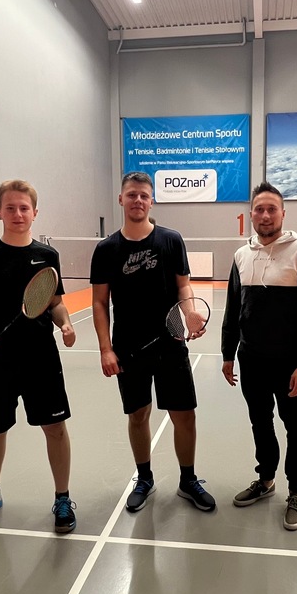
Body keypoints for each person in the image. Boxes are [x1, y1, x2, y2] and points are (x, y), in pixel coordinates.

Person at [90, 172, 215, 514]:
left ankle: (188, 480)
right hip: (128, 346)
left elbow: (183, 285)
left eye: (144, 195)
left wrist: (190, 312)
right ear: (121, 199)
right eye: (132, 194)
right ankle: (144, 478)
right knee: (138, 414)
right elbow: (99, 302)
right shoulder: (106, 250)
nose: (138, 201)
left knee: (184, 415)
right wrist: (105, 348)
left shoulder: (171, 240)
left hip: (170, 342)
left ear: (152, 201)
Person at [0, 179, 78, 534]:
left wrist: (66, 323)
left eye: (24, 208)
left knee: (55, 428)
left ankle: (62, 498)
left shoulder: (47, 256)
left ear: (35, 212)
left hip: (41, 358)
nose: (17, 214)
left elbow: (54, 303)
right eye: (10, 207)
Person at [221, 182, 297, 531]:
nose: (265, 215)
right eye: (259, 209)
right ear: (251, 214)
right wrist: (228, 353)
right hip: (251, 359)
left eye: (272, 209)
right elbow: (233, 309)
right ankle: (265, 479)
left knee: (295, 427)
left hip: (288, 361)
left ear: (283, 213)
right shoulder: (241, 255)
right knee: (260, 423)